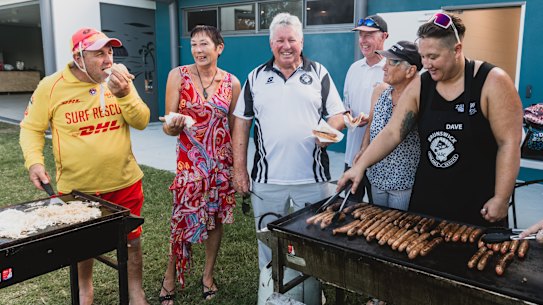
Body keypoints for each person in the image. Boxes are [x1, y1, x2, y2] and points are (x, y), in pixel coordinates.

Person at [338, 12, 523, 227]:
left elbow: (508, 143)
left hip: (478, 202)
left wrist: (501, 197)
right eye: (423, 56)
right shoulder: (422, 85)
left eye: (433, 57)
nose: (426, 64)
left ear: (457, 50)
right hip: (428, 200)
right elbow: (393, 131)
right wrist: (361, 165)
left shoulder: (491, 81)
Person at [19, 28, 150, 305]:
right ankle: (85, 292)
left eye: (110, 52)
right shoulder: (51, 86)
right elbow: (31, 128)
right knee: (82, 247)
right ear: (79, 57)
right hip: (79, 190)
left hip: (124, 181)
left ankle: (136, 292)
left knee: (132, 241)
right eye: (99, 53)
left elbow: (141, 120)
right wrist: (34, 161)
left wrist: (125, 93)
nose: (108, 60)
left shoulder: (119, 80)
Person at [231, 12, 345, 304]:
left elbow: (338, 115)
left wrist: (328, 132)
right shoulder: (255, 77)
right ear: (271, 44)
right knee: (268, 243)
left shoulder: (318, 73)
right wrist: (239, 170)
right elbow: (242, 123)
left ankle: (311, 292)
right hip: (267, 181)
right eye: (280, 40)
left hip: (312, 180)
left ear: (301, 42)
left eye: (291, 39)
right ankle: (273, 293)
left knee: (313, 242)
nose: (286, 46)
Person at [158, 25, 241, 304]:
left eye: (204, 44)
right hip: (189, 164)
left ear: (219, 48)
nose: (198, 50)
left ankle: (207, 275)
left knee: (215, 220)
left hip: (220, 164)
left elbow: (233, 129)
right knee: (181, 220)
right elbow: (168, 127)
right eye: (193, 45)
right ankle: (170, 278)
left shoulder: (233, 83)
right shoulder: (177, 76)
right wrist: (175, 124)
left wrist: (237, 167)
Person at [359, 41, 422, 211]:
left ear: (411, 71)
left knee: (398, 229)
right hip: (377, 175)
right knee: (377, 223)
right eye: (385, 61)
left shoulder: (419, 97)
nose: (384, 67)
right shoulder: (380, 91)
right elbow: (372, 122)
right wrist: (364, 148)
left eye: (392, 62)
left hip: (404, 182)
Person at [343, 14, 389, 203]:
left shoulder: (392, 69)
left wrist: (370, 120)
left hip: (381, 160)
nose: (363, 40)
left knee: (377, 215)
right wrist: (348, 117)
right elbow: (346, 107)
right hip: (352, 157)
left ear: (384, 36)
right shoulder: (354, 68)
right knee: (347, 208)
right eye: (361, 35)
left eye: (369, 35)